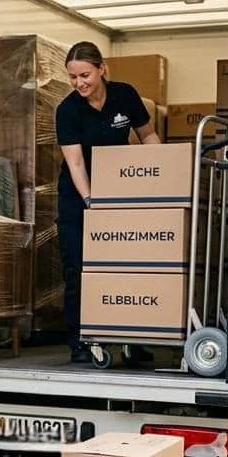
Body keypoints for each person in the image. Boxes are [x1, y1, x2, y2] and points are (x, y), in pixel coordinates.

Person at [56, 42, 161, 362]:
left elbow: (148, 137)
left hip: (121, 189)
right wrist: (91, 201)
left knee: (129, 264)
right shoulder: (68, 110)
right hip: (78, 195)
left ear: (102, 69)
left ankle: (132, 336)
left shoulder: (125, 95)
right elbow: (75, 164)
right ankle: (80, 341)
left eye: (85, 75)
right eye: (73, 77)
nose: (79, 83)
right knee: (78, 268)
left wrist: (162, 174)